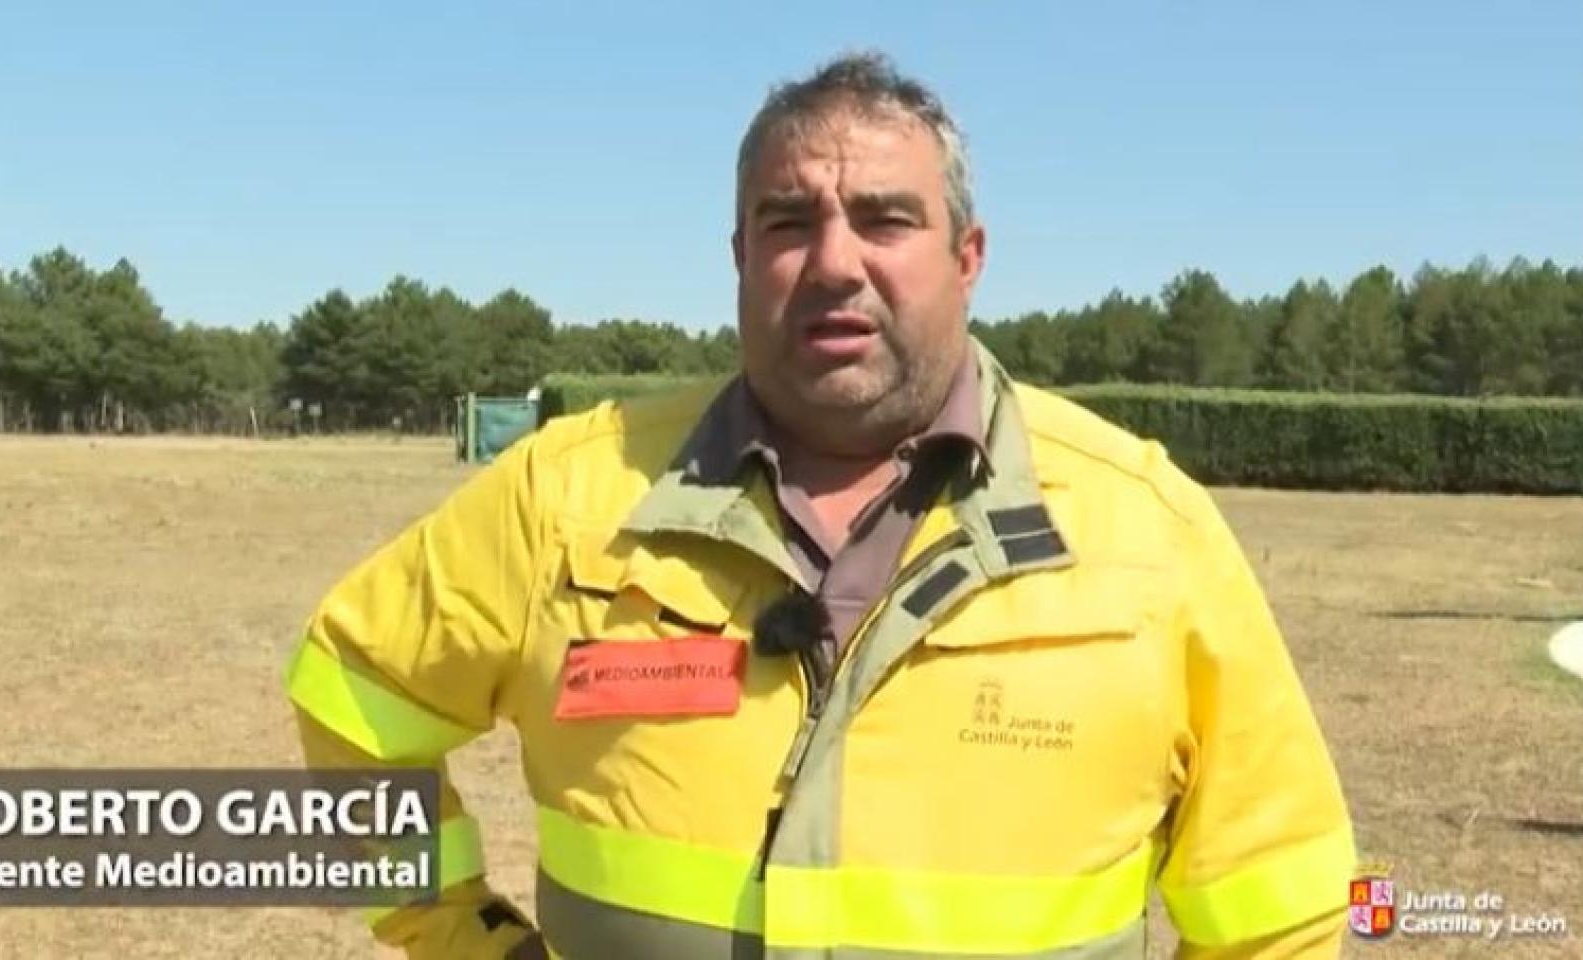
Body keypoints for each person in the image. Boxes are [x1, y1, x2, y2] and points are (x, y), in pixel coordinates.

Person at [285, 51, 1356, 959]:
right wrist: (464, 936)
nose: (833, 262)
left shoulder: (1146, 533)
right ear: (739, 256)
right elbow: (350, 699)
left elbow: (1284, 902)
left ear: (966, 258)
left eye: (885, 219)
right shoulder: (564, 496)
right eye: (788, 221)